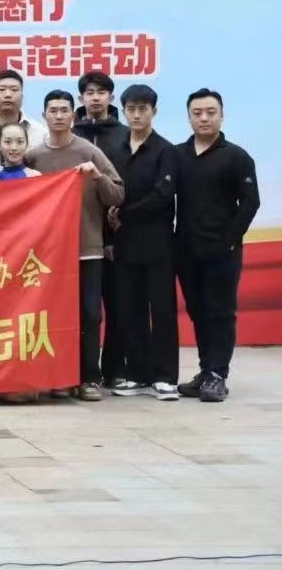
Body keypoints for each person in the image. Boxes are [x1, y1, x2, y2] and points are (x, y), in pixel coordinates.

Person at [25, 90, 125, 402]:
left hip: (87, 249)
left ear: (73, 114)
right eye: (53, 110)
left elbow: (118, 194)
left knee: (90, 315)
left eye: (64, 110)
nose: (58, 115)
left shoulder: (89, 152)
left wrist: (96, 177)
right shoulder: (33, 157)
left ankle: (90, 378)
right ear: (43, 116)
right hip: (46, 254)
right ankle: (59, 377)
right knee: (52, 317)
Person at [173, 88, 259, 403]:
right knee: (198, 311)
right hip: (186, 249)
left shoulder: (236, 156)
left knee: (220, 312)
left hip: (222, 251)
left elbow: (250, 203)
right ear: (189, 117)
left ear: (222, 115)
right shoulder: (177, 155)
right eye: (197, 113)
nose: (204, 118)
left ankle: (218, 375)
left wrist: (229, 241)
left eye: (211, 112)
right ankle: (206, 370)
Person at [107, 85, 179, 401]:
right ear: (123, 111)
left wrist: (123, 212)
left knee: (162, 310)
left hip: (158, 243)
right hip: (125, 243)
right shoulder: (117, 149)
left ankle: (165, 377)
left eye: (143, 109)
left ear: (154, 111)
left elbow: (163, 196)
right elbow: (110, 192)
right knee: (130, 309)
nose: (136, 115)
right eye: (131, 109)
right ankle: (138, 373)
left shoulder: (166, 150)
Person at [74, 72, 129, 388]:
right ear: (80, 98)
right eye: (89, 92)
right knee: (85, 312)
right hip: (82, 238)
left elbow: (122, 185)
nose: (95, 97)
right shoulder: (71, 135)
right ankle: (82, 372)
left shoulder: (124, 135)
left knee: (116, 306)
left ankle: (115, 368)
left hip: (117, 235)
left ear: (111, 97)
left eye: (102, 91)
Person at [0, 70, 48, 171]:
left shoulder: (41, 133)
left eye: (14, 90)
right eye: (1, 89)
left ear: (22, 96)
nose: (8, 95)